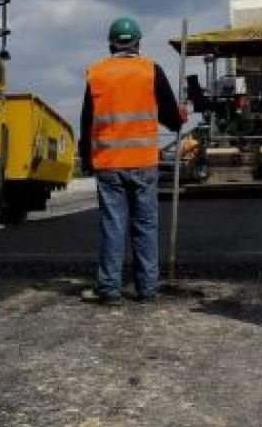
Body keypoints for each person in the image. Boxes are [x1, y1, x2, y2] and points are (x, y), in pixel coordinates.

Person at [78, 17, 183, 305]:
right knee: (145, 226)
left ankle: (109, 290)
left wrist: (87, 159)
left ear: (111, 43)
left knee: (113, 226)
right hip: (143, 162)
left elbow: (87, 121)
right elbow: (172, 120)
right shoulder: (152, 71)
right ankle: (147, 289)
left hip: (109, 163)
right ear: (138, 42)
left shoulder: (96, 74)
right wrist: (180, 115)